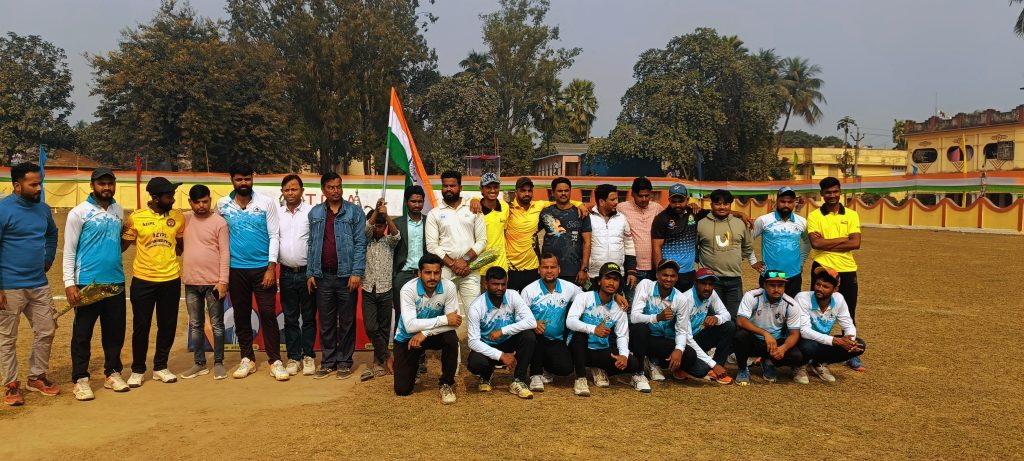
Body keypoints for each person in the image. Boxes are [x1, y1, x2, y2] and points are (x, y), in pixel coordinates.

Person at [63, 168, 129, 401]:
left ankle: (113, 373)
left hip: (115, 280)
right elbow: (69, 251)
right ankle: (81, 379)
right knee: (82, 333)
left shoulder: (118, 210)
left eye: (110, 183)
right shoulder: (79, 212)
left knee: (114, 331)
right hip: (87, 282)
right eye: (102, 183)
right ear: (92, 185)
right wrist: (70, 283)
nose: (107, 188)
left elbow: (117, 244)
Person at [217, 163, 283, 380]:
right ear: (232, 180)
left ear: (252, 179)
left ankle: (275, 360)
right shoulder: (222, 204)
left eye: (247, 178)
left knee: (268, 314)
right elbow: (218, 234)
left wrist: (271, 267)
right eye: (239, 179)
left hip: (263, 269)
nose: (243, 183)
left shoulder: (265, 203)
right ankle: (247, 358)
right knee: (241, 315)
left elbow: (274, 235)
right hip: (236, 270)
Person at [1, 163, 59, 406]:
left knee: (47, 330)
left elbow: (52, 234)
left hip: (38, 284)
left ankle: (36, 377)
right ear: (17, 185)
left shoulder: (43, 209)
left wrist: (48, 258)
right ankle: (11, 384)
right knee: (7, 338)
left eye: (40, 183)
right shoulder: (3, 210)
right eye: (33, 184)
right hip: (9, 287)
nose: (38, 188)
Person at [122, 177, 185, 387]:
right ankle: (138, 369)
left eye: (173, 195)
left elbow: (181, 246)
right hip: (143, 280)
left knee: (167, 325)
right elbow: (123, 246)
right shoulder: (136, 218)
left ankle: (160, 367)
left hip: (171, 280)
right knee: (141, 326)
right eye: (169, 196)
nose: (173, 199)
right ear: (156, 198)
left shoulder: (178, 217)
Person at [630, 261, 732, 385]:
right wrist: (657, 317)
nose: (668, 279)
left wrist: (678, 349)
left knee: (698, 365)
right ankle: (638, 373)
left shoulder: (680, 298)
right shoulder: (646, 285)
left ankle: (660, 362)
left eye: (672, 276)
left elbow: (682, 331)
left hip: (667, 340)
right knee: (640, 328)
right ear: (657, 275)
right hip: (646, 338)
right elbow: (634, 317)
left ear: (677, 278)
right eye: (665, 275)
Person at [306, 172, 367, 380]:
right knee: (326, 322)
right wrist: (311, 272)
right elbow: (311, 244)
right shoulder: (315, 213)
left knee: (347, 322)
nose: (336, 191)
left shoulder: (354, 212)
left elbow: (360, 243)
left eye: (338, 186)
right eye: (331, 187)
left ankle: (345, 362)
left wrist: (356, 272)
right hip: (322, 276)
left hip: (346, 276)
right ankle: (328, 361)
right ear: (323, 190)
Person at [807, 176, 864, 372]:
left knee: (849, 312)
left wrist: (828, 242)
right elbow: (816, 244)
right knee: (816, 312)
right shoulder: (814, 216)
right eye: (828, 192)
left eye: (835, 191)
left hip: (847, 269)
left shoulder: (852, 215)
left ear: (840, 192)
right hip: (822, 268)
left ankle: (851, 354)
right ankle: (812, 353)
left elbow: (855, 243)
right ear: (822, 194)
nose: (832, 195)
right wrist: (843, 239)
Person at [392, 254, 461, 404]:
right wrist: (444, 319)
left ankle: (446, 383)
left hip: (430, 335)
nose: (432, 277)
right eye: (428, 273)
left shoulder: (449, 287)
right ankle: (414, 368)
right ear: (419, 273)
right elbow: (410, 326)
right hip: (408, 337)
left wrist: (425, 332)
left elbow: (454, 322)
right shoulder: (408, 289)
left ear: (441, 273)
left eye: (436, 273)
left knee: (451, 338)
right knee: (402, 390)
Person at [566, 262, 643, 396]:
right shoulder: (584, 297)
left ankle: (600, 369)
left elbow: (622, 335)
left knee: (633, 363)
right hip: (579, 350)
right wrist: (593, 329)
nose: (611, 283)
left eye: (615, 279)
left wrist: (623, 356)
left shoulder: (620, 307)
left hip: (600, 350)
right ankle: (580, 378)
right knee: (580, 335)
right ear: (599, 281)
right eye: (607, 278)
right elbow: (570, 321)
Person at [181, 184, 230, 380]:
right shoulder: (184, 219)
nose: (201, 206)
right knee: (196, 324)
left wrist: (223, 281)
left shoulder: (220, 222)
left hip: (214, 283)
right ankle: (199, 363)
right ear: (190, 202)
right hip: (191, 282)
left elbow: (225, 253)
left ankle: (218, 362)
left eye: (205, 201)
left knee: (217, 324)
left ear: (210, 200)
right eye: (197, 202)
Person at [466, 267, 538, 399]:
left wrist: (502, 331)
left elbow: (531, 322)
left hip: (509, 341)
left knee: (528, 336)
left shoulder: (513, 295)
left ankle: (518, 380)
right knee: (475, 363)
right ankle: (486, 375)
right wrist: (501, 355)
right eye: (495, 284)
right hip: (488, 344)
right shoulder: (476, 307)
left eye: (503, 284)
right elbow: (473, 342)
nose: (500, 288)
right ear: (486, 284)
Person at [504, 177, 585, 291]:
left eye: (529, 190)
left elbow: (560, 201)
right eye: (523, 190)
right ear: (516, 192)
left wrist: (580, 204)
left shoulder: (539, 206)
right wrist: (477, 201)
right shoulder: (507, 209)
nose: (527, 194)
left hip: (533, 267)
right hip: (511, 267)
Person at [425, 170, 487, 318]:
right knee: (446, 314)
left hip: (470, 270)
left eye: (452, 186)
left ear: (460, 187)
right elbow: (432, 246)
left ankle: (474, 335)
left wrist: (464, 261)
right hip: (445, 270)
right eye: (445, 186)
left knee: (474, 313)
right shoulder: (434, 213)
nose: (448, 189)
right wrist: (453, 265)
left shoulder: (474, 209)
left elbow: (482, 241)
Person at [520, 253, 582, 392]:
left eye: (553, 267)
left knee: (565, 368)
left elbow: (588, 298)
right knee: (530, 336)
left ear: (559, 269)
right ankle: (535, 374)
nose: (549, 271)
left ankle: (546, 368)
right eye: (545, 267)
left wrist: (615, 296)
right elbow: (518, 316)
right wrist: (533, 323)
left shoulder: (569, 288)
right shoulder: (529, 291)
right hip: (536, 338)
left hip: (556, 340)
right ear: (539, 270)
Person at [794, 267, 865, 384]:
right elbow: (804, 331)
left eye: (825, 286)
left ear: (835, 289)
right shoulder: (802, 298)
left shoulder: (839, 299)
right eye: (818, 284)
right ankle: (799, 366)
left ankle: (817, 363)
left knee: (860, 345)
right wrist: (836, 341)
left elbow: (848, 324)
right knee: (809, 346)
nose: (819, 289)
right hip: (801, 341)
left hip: (822, 341)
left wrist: (850, 341)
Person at [734, 270, 806, 386]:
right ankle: (742, 369)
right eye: (772, 285)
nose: (776, 289)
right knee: (740, 336)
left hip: (775, 343)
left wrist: (783, 348)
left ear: (784, 287)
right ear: (764, 285)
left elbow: (794, 333)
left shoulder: (791, 304)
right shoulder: (752, 296)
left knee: (796, 356)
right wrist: (765, 333)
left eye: (780, 285)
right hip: (754, 340)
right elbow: (741, 321)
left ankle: (768, 362)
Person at [278, 174, 316, 377]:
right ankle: (293, 357)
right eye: (287, 190)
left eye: (294, 189)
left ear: (302, 191)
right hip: (285, 273)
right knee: (290, 318)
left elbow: (316, 242)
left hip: (307, 273)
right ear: (282, 192)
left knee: (308, 317)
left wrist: (313, 272)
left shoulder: (311, 212)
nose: (290, 193)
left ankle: (308, 355)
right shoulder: (277, 214)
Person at [360, 200, 400, 381]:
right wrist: (376, 212)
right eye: (376, 225)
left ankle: (378, 363)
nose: (378, 228)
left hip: (386, 289)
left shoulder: (389, 242)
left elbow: (396, 235)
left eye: (381, 225)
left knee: (383, 329)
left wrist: (386, 216)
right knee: (370, 327)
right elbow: (366, 229)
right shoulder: (365, 241)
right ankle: (388, 356)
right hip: (368, 289)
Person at [696, 189, 753, 318]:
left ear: (730, 205)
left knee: (733, 317)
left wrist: (736, 258)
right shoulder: (701, 224)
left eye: (726, 204)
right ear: (711, 204)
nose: (722, 207)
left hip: (734, 279)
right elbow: (694, 247)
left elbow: (748, 246)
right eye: (717, 204)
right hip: (710, 281)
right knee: (711, 317)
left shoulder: (740, 223)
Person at [392, 185, 428, 376]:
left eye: (420, 201)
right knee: (402, 316)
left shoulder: (429, 222)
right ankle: (402, 356)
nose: (416, 205)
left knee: (423, 316)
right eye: (413, 201)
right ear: (406, 203)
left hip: (424, 275)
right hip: (403, 275)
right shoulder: (396, 224)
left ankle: (420, 357)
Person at [676, 268, 734, 384]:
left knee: (729, 326)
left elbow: (726, 315)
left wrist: (716, 318)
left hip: (697, 337)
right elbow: (686, 338)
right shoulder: (685, 300)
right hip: (681, 342)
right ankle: (678, 367)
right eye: (703, 283)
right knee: (702, 370)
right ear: (695, 283)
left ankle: (715, 372)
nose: (707, 288)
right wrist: (713, 364)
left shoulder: (711, 294)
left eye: (710, 284)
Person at [750, 186, 810, 297]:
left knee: (792, 306)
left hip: (794, 275)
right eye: (783, 201)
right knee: (768, 306)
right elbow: (748, 240)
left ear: (794, 202)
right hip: (770, 275)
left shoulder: (802, 222)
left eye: (790, 202)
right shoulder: (763, 220)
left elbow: (808, 242)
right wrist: (753, 261)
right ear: (777, 201)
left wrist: (801, 262)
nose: (786, 205)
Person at [651, 184, 709, 292]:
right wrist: (660, 272)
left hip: (689, 273)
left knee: (689, 302)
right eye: (674, 201)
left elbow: (716, 213)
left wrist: (739, 214)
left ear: (687, 199)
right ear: (669, 200)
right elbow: (656, 247)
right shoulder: (661, 218)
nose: (677, 204)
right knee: (670, 302)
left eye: (681, 201)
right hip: (670, 274)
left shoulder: (694, 212)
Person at [539, 177, 592, 287]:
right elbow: (532, 232)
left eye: (566, 190)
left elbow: (587, 242)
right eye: (560, 191)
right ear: (553, 192)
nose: (563, 193)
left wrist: (584, 269)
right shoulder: (545, 213)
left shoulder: (581, 213)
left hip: (573, 271)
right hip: (550, 270)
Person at [587, 184, 637, 292]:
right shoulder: (588, 218)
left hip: (617, 276)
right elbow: (582, 245)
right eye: (612, 199)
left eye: (617, 199)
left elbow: (629, 245)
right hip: (593, 275)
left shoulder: (622, 219)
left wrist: (631, 271)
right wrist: (584, 270)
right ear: (601, 201)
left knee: (617, 303)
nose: (616, 202)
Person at [615, 177, 664, 282]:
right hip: (632, 269)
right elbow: (601, 209)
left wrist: (691, 207)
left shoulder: (657, 208)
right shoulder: (621, 208)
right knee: (632, 293)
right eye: (640, 196)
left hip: (654, 268)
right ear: (632, 194)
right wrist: (581, 206)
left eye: (647, 195)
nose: (644, 199)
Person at [477, 173, 510, 277]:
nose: (492, 190)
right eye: (488, 187)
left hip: (501, 265)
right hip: (481, 267)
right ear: (481, 189)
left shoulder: (505, 207)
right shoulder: (476, 209)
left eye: (495, 187)